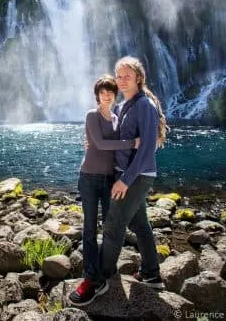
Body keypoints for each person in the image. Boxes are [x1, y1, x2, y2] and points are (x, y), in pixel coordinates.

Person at [69, 56, 169, 306]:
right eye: (119, 75)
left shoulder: (144, 105)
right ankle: (151, 273)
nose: (122, 80)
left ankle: (98, 280)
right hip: (127, 175)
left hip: (134, 177)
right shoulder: (124, 106)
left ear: (138, 77)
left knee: (113, 226)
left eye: (127, 75)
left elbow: (146, 149)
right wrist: (93, 142)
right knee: (140, 224)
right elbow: (111, 140)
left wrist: (124, 180)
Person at [71, 75, 139, 307]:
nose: (107, 94)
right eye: (103, 91)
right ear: (97, 95)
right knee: (89, 229)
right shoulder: (92, 115)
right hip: (89, 178)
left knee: (110, 228)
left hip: (110, 179)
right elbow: (100, 144)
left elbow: (115, 147)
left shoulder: (117, 118)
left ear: (114, 94)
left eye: (110, 91)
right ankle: (90, 277)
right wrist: (132, 143)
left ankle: (105, 270)